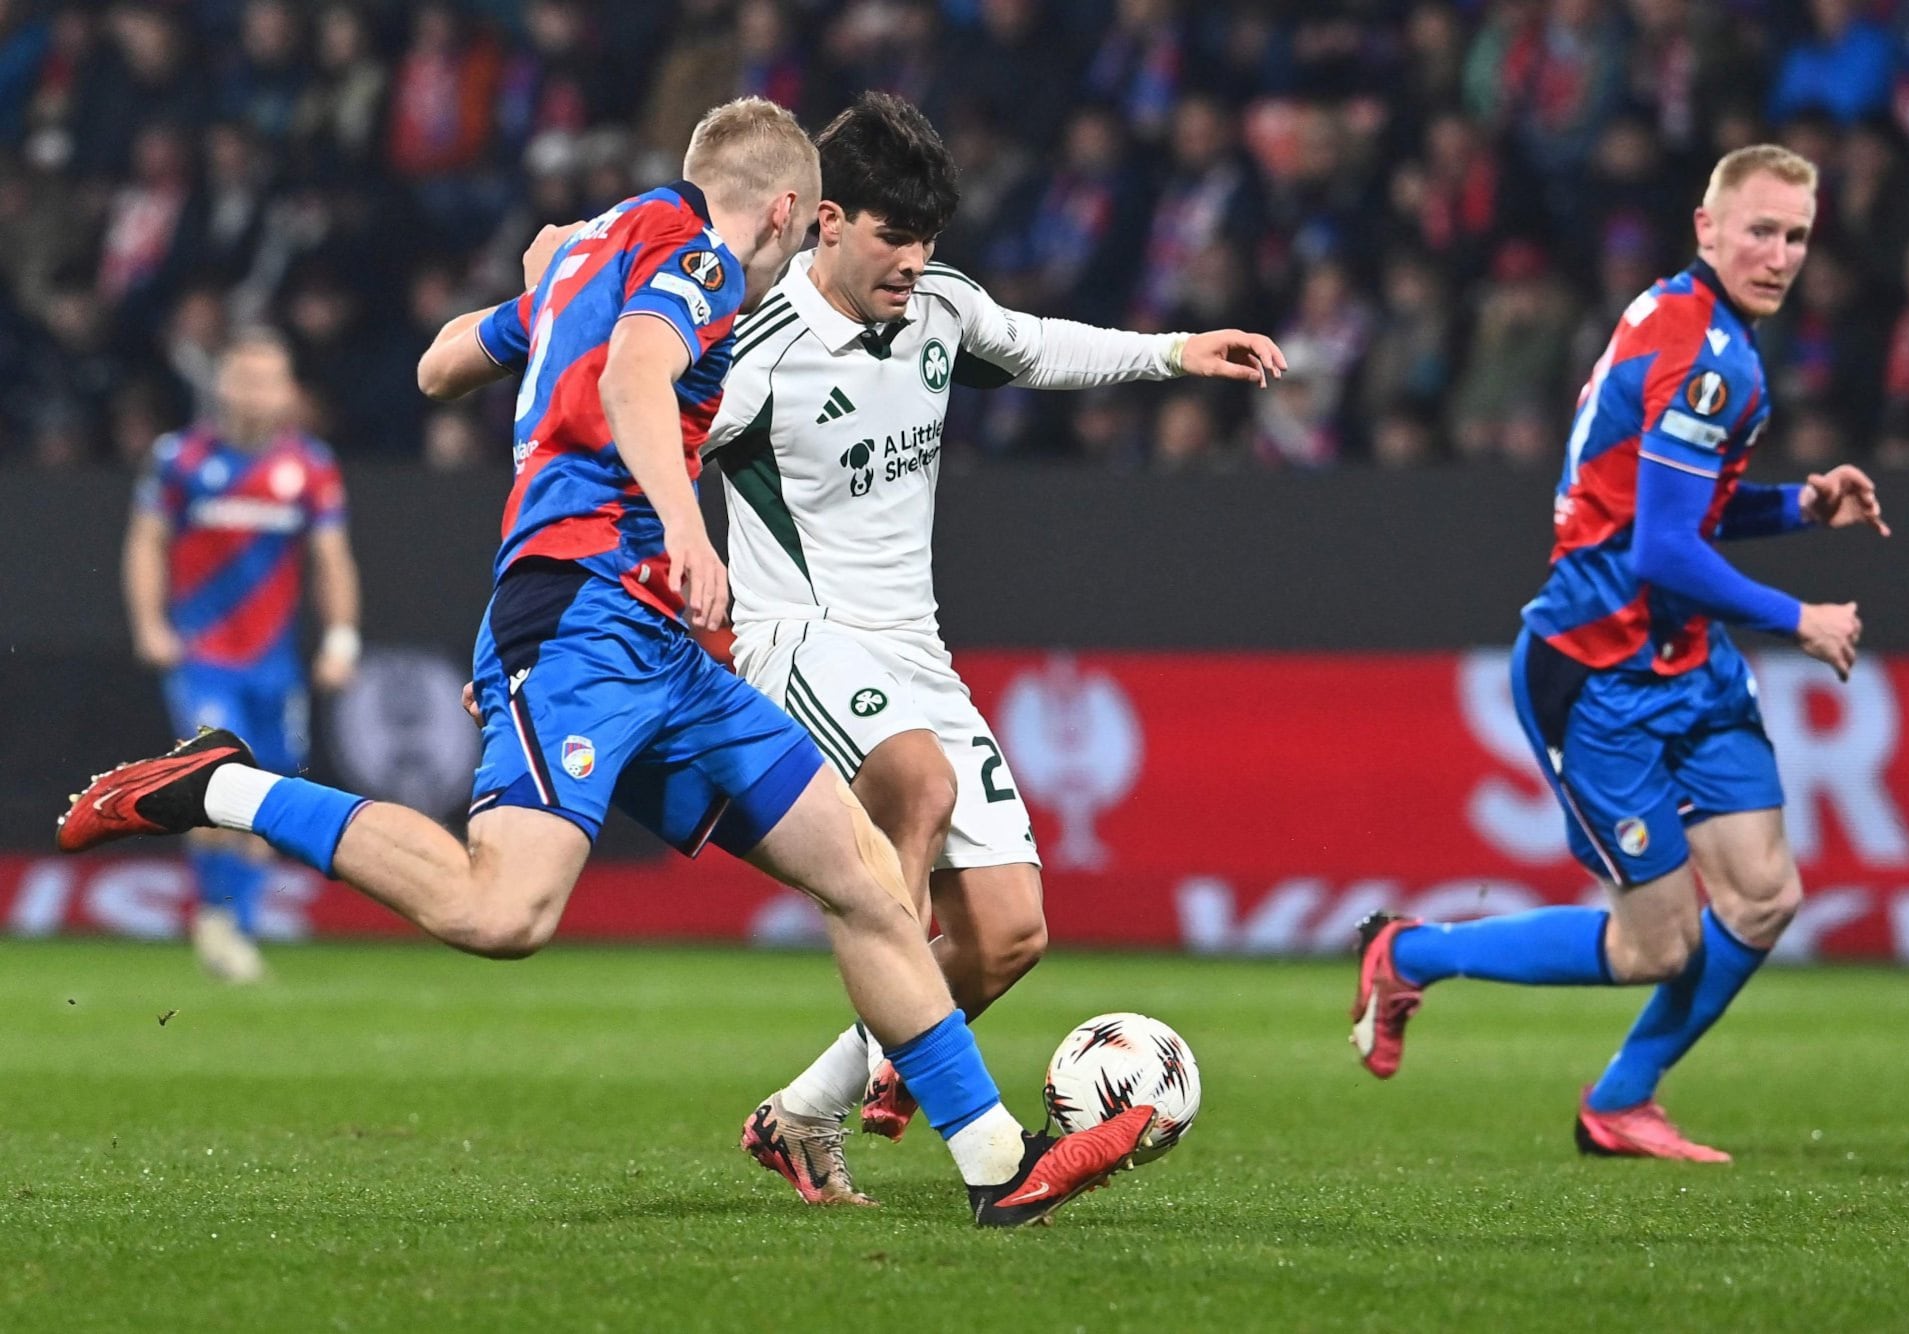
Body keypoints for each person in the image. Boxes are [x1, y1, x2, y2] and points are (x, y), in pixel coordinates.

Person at [58, 96, 1156, 1228]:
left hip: (660, 646)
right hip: (578, 617)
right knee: (503, 913)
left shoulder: (597, 248)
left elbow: (441, 366)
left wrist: (546, 300)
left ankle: (995, 1167)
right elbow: (638, 372)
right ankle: (218, 781)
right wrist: (683, 522)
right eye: (796, 231)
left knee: (869, 876)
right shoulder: (701, 260)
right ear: (785, 209)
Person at [709, 92, 1284, 1206]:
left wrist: (1175, 350)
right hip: (797, 636)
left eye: (928, 239)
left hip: (914, 653)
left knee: (1012, 932)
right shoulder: (755, 350)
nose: (913, 262)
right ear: (825, 221)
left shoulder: (937, 307)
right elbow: (635, 448)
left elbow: (1037, 349)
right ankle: (924, 1073)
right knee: (914, 780)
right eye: (892, 235)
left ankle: (809, 1108)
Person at [1350, 144, 1890, 1161]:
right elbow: (1661, 545)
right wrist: (1797, 615)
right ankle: (1408, 949)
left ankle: (1619, 1100)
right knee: (1658, 941)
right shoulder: (1711, 360)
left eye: (1794, 237)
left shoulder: (1677, 314)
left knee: (1764, 893)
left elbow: (1668, 508)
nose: (1776, 254)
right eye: (1758, 230)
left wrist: (1795, 503)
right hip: (1598, 671)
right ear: (1706, 228)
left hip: (1681, 660)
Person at [122, 329, 360, 982]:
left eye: (269, 380)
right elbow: (146, 541)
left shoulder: (308, 466)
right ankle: (218, 919)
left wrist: (340, 639)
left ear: (288, 390)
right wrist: (150, 624)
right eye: (245, 379)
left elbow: (331, 560)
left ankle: (240, 928)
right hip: (204, 658)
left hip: (274, 664)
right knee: (214, 779)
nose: (256, 394)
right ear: (221, 385)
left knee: (270, 794)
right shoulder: (180, 459)